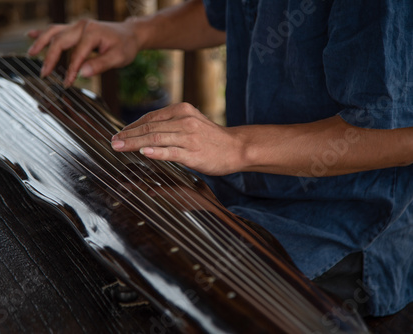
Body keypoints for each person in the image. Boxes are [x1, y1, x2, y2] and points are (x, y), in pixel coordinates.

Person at [28, 0, 413, 317]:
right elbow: (223, 14)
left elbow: (398, 136)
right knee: (86, 247)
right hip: (244, 188)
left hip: (346, 226)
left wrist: (237, 147)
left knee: (153, 307)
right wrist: (136, 32)